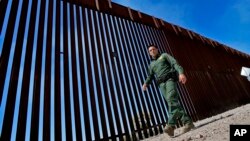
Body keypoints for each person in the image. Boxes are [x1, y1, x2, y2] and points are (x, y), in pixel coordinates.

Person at [142, 44, 194, 137]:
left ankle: (170, 125)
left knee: (171, 99)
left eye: (154, 49)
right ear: (149, 53)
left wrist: (181, 73)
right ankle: (188, 123)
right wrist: (146, 83)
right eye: (150, 50)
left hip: (170, 80)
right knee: (172, 102)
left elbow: (174, 63)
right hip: (161, 85)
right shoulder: (151, 65)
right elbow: (150, 76)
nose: (152, 51)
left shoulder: (164, 55)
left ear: (157, 49)